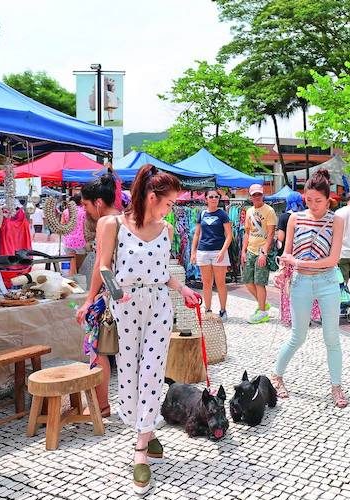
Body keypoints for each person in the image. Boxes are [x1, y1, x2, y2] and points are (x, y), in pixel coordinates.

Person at [98, 164, 198, 495]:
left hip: (158, 304)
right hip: (125, 306)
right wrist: (116, 294)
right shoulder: (113, 224)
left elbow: (163, 271)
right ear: (152, 197)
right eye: (169, 203)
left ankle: (140, 447)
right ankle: (147, 429)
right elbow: (102, 268)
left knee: (153, 372)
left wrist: (181, 288)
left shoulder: (166, 230)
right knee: (128, 374)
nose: (171, 209)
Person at [273, 168, 348, 408]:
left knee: (332, 337)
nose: (313, 205)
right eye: (309, 200)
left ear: (329, 200)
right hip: (301, 282)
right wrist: (283, 268)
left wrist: (297, 262)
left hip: (327, 281)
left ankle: (336, 386)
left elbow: (333, 259)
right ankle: (277, 376)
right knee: (298, 335)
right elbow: (287, 252)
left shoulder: (336, 220)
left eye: (319, 201)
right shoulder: (295, 218)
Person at [76, 171, 122, 418]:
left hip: (111, 296)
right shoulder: (128, 220)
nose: (84, 210)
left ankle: (101, 405)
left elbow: (99, 267)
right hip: (130, 296)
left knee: (97, 348)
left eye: (85, 204)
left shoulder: (106, 223)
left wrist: (89, 300)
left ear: (98, 202)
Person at [276, 191, 320, 327]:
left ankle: (292, 316)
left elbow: (281, 239)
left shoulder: (284, 217)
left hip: (289, 259)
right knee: (307, 288)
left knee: (289, 289)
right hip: (305, 258)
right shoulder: (306, 215)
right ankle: (307, 316)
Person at [190, 190, 232, 319]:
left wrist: (223, 251)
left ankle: (223, 310)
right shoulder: (201, 213)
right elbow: (197, 234)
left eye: (216, 197)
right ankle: (207, 310)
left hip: (218, 251)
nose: (214, 199)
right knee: (206, 283)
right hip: (203, 251)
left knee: (220, 283)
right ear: (206, 199)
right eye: (211, 197)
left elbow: (229, 235)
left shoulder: (222, 214)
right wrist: (193, 252)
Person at [241, 184, 277, 324]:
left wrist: (264, 253)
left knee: (259, 282)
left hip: (262, 250)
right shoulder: (249, 211)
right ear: (250, 196)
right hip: (250, 249)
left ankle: (262, 312)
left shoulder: (269, 211)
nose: (256, 197)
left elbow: (271, 233)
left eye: (259, 194)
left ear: (263, 195)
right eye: (254, 195)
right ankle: (263, 304)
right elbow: (247, 232)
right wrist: (243, 251)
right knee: (248, 281)